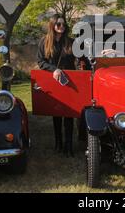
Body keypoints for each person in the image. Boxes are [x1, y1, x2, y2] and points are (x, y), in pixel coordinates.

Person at [37, 14, 77, 157]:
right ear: (52, 25)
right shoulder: (44, 42)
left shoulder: (71, 42)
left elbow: (84, 56)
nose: (61, 27)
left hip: (69, 81)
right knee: (56, 113)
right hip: (54, 80)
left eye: (63, 24)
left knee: (69, 114)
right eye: (58, 24)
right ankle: (58, 143)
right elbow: (41, 62)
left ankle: (69, 145)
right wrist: (54, 69)